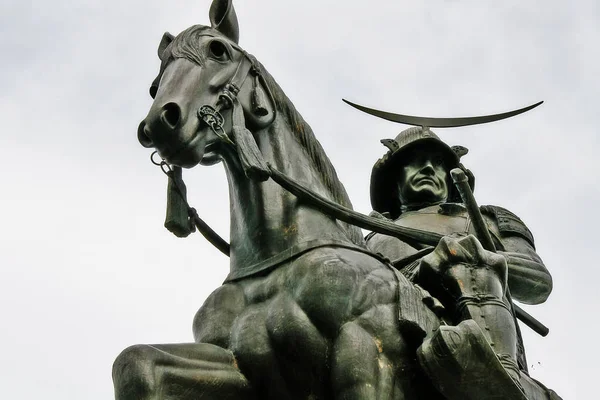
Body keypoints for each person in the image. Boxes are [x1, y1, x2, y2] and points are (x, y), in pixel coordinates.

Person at [366, 126, 558, 399]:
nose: (429, 169)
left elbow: (538, 282)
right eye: (415, 162)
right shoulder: (373, 234)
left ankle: (497, 376)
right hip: (391, 321)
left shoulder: (490, 219)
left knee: (467, 262)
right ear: (394, 180)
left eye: (439, 164)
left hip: (465, 303)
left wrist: (480, 254)